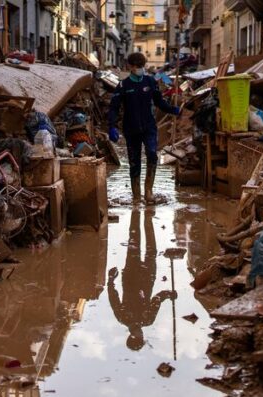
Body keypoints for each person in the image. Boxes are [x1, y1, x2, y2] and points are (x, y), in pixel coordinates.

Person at [108, 52, 180, 204]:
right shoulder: (123, 85)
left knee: (152, 154)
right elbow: (113, 108)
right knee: (134, 161)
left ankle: (148, 191)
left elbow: (159, 102)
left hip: (149, 127)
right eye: (136, 66)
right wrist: (111, 126)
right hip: (131, 128)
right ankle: (136, 195)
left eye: (141, 66)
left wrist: (173, 109)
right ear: (130, 67)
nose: (139, 69)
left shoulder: (150, 82)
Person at [107, 207, 176, 350]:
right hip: (147, 277)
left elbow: (113, 297)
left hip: (131, 275)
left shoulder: (123, 317)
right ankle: (148, 218)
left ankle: (136, 212)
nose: (140, 334)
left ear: (132, 336)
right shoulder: (147, 319)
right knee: (151, 248)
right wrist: (168, 294)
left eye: (139, 337)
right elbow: (156, 299)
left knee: (134, 240)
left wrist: (111, 280)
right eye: (141, 336)